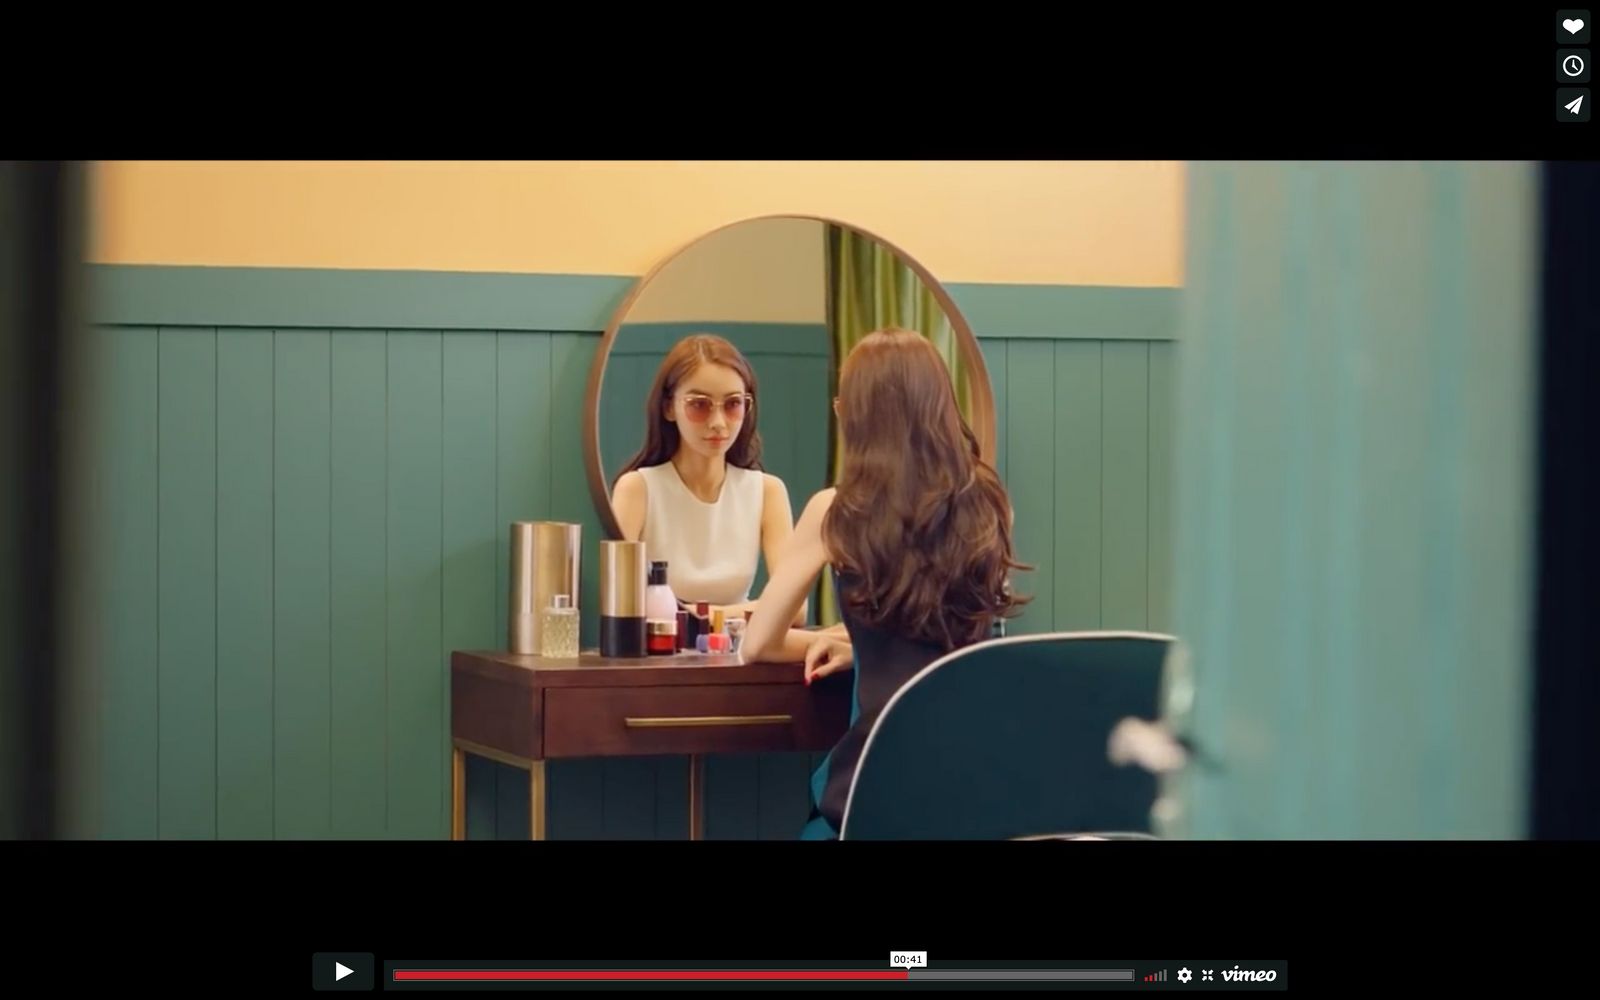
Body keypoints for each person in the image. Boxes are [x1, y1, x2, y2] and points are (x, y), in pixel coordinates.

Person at [741, 327, 1028, 839]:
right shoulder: (989, 501)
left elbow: (758, 642)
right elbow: (963, 634)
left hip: (878, 788)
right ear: (940, 405)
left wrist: (853, 642)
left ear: (854, 415)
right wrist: (861, 642)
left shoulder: (836, 510)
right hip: (981, 783)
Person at [611, 333, 804, 622]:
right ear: (668, 408)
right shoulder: (637, 489)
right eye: (699, 405)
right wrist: (752, 612)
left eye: (733, 405)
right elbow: (621, 603)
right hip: (658, 658)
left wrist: (706, 615)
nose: (718, 423)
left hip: (740, 658)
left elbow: (796, 610)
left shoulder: (767, 491)